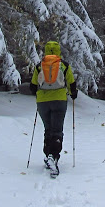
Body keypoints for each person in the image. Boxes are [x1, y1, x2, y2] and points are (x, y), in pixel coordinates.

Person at [30, 41, 77, 174]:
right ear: (58, 51)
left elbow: (33, 87)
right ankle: (53, 156)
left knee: (48, 129)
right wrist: (73, 94)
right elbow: (72, 84)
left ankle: (48, 154)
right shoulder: (64, 65)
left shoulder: (39, 66)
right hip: (59, 100)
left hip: (43, 102)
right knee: (57, 130)